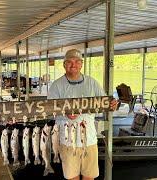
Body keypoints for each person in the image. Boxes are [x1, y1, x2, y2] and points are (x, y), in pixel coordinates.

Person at [47, 49, 118, 180]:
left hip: (89, 139)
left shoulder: (92, 83)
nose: (73, 65)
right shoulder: (56, 86)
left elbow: (105, 103)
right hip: (67, 140)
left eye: (77, 62)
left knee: (89, 177)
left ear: (81, 64)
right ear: (64, 64)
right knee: (72, 177)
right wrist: (66, 115)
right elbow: (51, 111)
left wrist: (112, 104)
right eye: (69, 62)